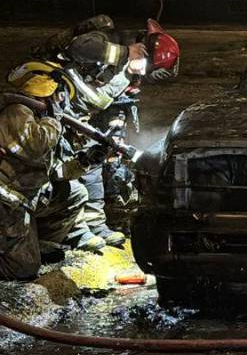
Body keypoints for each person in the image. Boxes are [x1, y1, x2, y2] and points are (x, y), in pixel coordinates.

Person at [33, 16, 180, 246]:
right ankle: (59, 228)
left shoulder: (131, 75)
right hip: (50, 105)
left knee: (93, 159)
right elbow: (80, 48)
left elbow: (108, 97)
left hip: (78, 117)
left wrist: (115, 124)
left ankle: (95, 226)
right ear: (140, 49)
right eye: (144, 66)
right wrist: (124, 53)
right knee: (56, 168)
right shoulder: (108, 40)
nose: (141, 73)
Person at [0, 63, 96, 279]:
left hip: (23, 197)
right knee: (22, 270)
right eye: (60, 97)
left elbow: (55, 173)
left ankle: (36, 242)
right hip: (6, 200)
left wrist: (86, 161)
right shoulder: (17, 111)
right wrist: (54, 120)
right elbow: (35, 146)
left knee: (75, 194)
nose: (62, 103)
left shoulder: (38, 119)